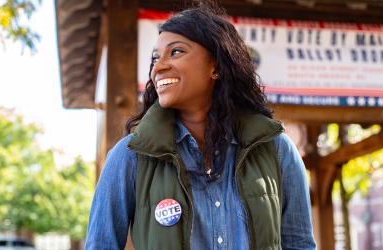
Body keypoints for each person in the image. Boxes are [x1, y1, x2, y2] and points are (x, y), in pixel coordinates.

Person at [85, 2, 316, 250]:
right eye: (155, 57)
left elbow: (299, 244)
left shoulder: (278, 150)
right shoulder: (129, 157)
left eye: (175, 52)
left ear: (216, 66)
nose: (158, 66)